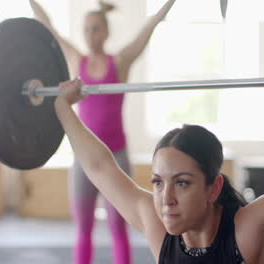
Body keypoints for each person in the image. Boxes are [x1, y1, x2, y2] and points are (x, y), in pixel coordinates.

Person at [53, 77, 264, 264]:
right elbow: (99, 167)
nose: (165, 199)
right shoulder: (158, 225)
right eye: (158, 183)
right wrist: (62, 107)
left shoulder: (250, 229)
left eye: (182, 183)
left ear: (213, 188)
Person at [30, 1, 177, 263]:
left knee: (118, 228)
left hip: (116, 156)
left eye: (95, 29)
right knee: (83, 230)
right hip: (84, 160)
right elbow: (48, 27)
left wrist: (170, 3)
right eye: (86, 30)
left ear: (106, 33)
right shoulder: (77, 60)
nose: (90, 35)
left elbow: (150, 26)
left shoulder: (119, 62)